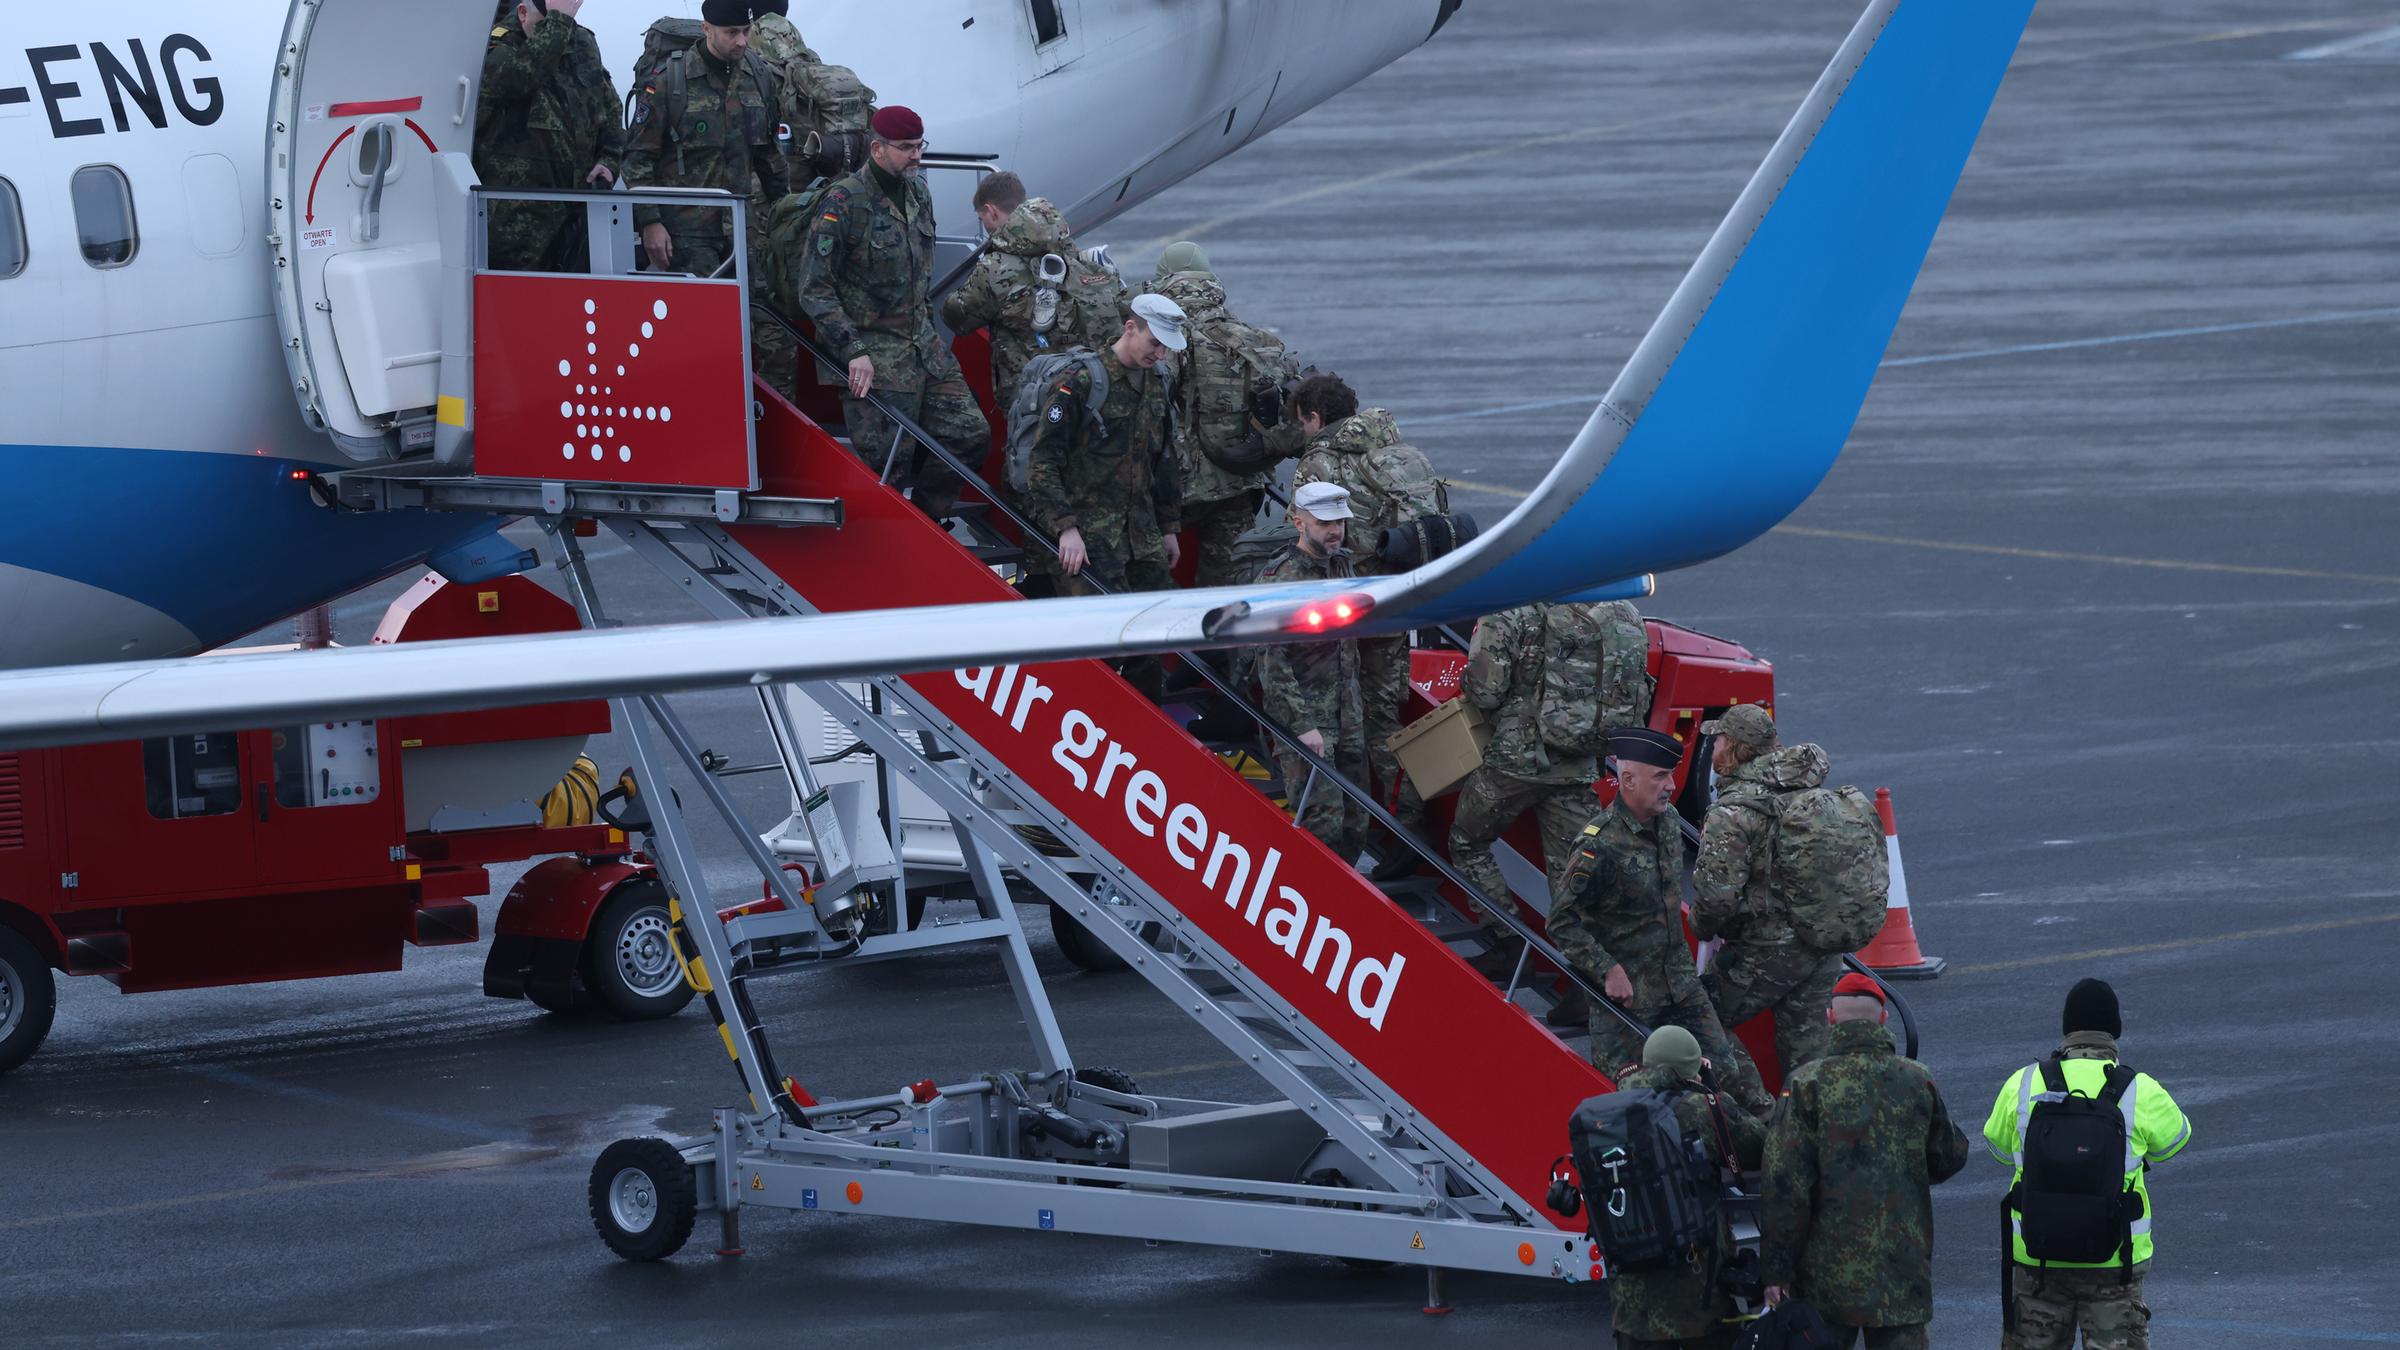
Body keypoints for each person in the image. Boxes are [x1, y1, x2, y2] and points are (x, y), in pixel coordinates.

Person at [1550, 727, 1772, 1117]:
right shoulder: (1597, 844)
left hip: (1681, 985)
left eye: (1672, 774)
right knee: (1626, 1102)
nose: (1671, 785)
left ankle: (1754, 1152)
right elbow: (1562, 922)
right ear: (1628, 779)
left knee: (1731, 1077)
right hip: (1629, 998)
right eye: (1660, 776)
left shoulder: (1668, 820)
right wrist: (1608, 970)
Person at [782, 105, 990, 521]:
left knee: (971, 433)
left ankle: (928, 522)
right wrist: (853, 349)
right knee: (887, 464)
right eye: (907, 148)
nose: (917, 156)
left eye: (919, 146)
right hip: (873, 353)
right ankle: (896, 539)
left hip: (923, 347)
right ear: (877, 149)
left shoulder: (918, 194)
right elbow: (815, 288)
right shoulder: (844, 202)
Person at [1760, 973, 1971, 1349]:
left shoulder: (1806, 1083)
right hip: (1901, 1272)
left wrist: (1776, 1271)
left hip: (1826, 1280)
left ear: (1829, 1018)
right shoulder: (1915, 1078)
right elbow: (1949, 1157)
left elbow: (1784, 1185)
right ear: (1883, 1019)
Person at [1984, 978, 2191, 1350]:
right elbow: (2173, 1143)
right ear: (2115, 1031)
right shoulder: (2139, 1089)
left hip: (2038, 1257)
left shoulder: (2024, 1082)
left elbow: (1999, 1148)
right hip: (2116, 1260)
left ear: (2067, 1030)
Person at [1288, 374, 1445, 840]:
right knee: (1386, 724)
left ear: (1314, 417)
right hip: (1395, 604)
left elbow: (1297, 539)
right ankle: (1408, 833)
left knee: (1341, 728)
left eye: (1302, 423)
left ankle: (1353, 831)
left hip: (1343, 612)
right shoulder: (1393, 448)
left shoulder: (1319, 462)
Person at [1443, 601, 1608, 978]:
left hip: (1518, 761)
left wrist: (1470, 680)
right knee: (1572, 872)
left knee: (1467, 841)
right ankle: (1588, 982)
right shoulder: (1588, 615)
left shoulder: (1506, 612)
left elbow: (1486, 692)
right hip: (1576, 761)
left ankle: (1508, 941)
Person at [1691, 703, 1844, 1084]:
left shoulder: (1732, 812)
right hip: (1822, 941)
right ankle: (1811, 1130)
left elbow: (1716, 899)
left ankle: (1757, 1115)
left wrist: (1698, 925)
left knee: (1697, 1019)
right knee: (1808, 1055)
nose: (1714, 748)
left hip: (1766, 949)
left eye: (1720, 739)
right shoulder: (1804, 788)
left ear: (1736, 747)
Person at [1607, 1024, 1766, 1350]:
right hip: (1696, 1284)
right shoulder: (1700, 1108)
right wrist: (1713, 1089)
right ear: (1691, 1066)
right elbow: (1758, 1147)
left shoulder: (1612, 1106)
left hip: (1632, 1292)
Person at [1021, 292, 1186, 597]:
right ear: (1130, 328)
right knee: (1106, 633)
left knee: (1159, 626)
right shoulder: (1081, 381)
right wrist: (1066, 528)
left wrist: (1168, 527)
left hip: (1142, 538)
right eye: (1155, 343)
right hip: (1088, 541)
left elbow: (1163, 459)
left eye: (1166, 347)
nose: (1160, 354)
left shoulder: (1158, 382)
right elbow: (1043, 461)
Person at [1146, 246, 1290, 588]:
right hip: (1238, 478)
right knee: (1229, 585)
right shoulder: (1237, 331)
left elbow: (1153, 402)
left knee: (1151, 576)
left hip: (1175, 487)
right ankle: (1225, 642)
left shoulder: (1167, 332)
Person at [622, 0, 786, 282]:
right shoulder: (669, 83)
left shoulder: (759, 77)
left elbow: (769, 154)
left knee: (750, 315)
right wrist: (651, 222)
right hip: (688, 235)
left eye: (747, 31)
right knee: (699, 320)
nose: (742, 42)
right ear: (707, 29)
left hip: (742, 229)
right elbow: (637, 160)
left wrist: (786, 213)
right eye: (731, 33)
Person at [1253, 482, 1370, 863]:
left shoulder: (1342, 565)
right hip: (1309, 723)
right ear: (1298, 522)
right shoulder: (1279, 581)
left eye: (1340, 521)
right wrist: (1302, 725)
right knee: (1323, 827)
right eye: (1325, 523)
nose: (1335, 530)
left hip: (1348, 715)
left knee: (1356, 823)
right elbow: (1272, 664)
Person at [941, 173, 1126, 408]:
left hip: (1031, 395)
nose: (985, 225)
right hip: (1085, 385)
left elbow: (958, 317)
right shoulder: (1065, 246)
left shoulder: (996, 266)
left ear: (992, 211)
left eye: (982, 218)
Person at [473, 0, 621, 273]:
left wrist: (609, 161)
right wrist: (558, 21)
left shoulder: (581, 42)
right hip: (518, 227)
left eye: (565, 21)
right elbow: (519, 79)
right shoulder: (498, 46)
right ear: (522, 13)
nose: (561, 33)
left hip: (575, 217)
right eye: (549, 21)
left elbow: (609, 108)